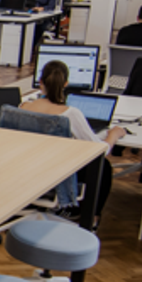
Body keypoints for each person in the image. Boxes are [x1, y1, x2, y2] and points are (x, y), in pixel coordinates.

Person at [19, 60, 127, 223]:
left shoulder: (23, 107)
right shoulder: (70, 113)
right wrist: (114, 135)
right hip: (56, 173)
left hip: (27, 169)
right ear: (66, 84)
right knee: (103, 166)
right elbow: (99, 150)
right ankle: (91, 218)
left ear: (40, 82)